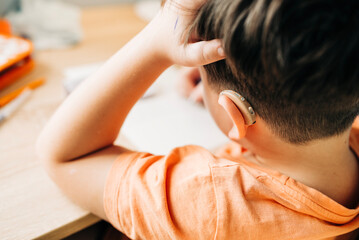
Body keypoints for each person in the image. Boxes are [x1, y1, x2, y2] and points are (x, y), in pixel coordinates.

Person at [36, 0, 359, 239]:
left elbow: (64, 156)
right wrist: (233, 89)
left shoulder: (212, 203)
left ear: (239, 115)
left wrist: (156, 45)